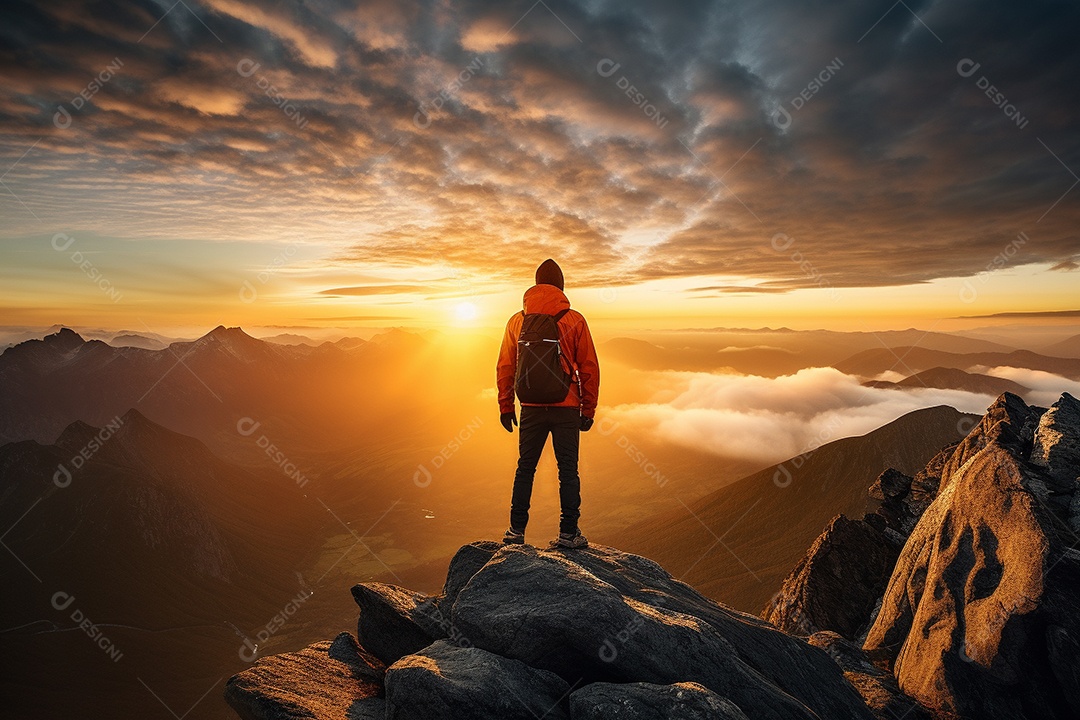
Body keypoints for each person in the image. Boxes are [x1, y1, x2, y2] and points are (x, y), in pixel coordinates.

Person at [496, 259, 600, 549]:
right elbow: (589, 367)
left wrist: (506, 406)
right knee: (568, 470)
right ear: (561, 286)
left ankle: (515, 532)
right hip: (566, 407)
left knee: (525, 468)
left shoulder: (517, 320)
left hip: (530, 406)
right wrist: (588, 410)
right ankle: (569, 533)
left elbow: (505, 365)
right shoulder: (574, 319)